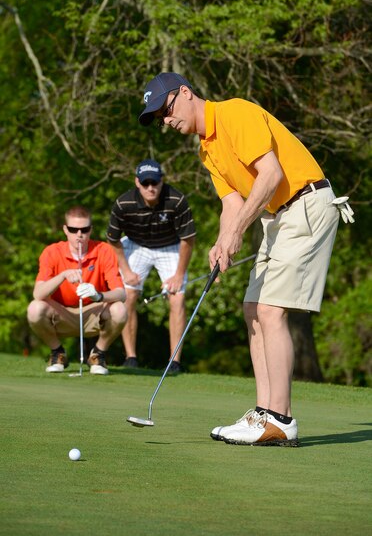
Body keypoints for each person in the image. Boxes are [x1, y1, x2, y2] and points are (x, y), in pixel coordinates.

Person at [138, 72, 354, 446]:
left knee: (271, 311)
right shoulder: (207, 148)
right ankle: (263, 413)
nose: (167, 121)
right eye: (159, 119)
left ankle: (281, 419)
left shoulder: (235, 113)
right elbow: (231, 203)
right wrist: (222, 240)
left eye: (167, 109)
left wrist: (238, 230)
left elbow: (271, 175)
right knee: (252, 308)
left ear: (185, 93)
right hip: (277, 216)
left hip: (307, 203)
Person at [106, 159, 196, 372]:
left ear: (162, 180)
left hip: (170, 246)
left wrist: (178, 274)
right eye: (145, 183)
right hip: (136, 245)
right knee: (127, 296)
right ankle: (131, 357)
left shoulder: (176, 200)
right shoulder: (123, 203)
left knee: (177, 298)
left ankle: (174, 361)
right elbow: (113, 239)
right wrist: (126, 271)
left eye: (154, 182)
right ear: (137, 182)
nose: (150, 188)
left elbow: (188, 240)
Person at [27, 206, 127, 375]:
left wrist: (98, 295)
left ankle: (98, 354)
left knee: (120, 310)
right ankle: (57, 352)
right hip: (61, 312)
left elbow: (121, 293)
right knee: (34, 308)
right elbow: (38, 294)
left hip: (93, 311)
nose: (79, 235)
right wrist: (63, 276)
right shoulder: (52, 252)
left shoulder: (104, 250)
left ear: (91, 230)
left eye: (84, 229)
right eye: (73, 230)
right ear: (65, 230)